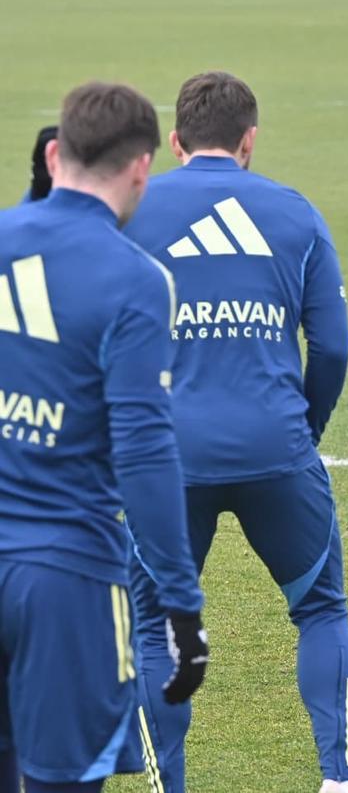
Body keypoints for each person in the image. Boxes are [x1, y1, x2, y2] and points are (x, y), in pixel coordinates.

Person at [122, 71, 348, 793]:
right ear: (250, 140)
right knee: (320, 608)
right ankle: (339, 779)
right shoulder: (294, 211)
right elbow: (335, 345)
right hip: (276, 449)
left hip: (164, 461)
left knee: (156, 625)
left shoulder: (132, 211)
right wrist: (304, 427)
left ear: (174, 141)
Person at [0, 82, 208, 792]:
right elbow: (146, 453)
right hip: (66, 581)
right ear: (143, 167)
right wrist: (181, 603)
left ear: (54, 153)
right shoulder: (135, 280)